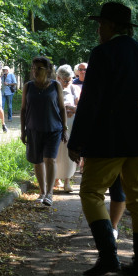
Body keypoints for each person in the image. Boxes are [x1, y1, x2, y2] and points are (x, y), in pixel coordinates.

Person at [67, 2, 138, 276]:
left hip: (109, 138)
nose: (98, 29)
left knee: (90, 192)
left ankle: (109, 256)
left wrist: (76, 141)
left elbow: (91, 101)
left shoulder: (102, 54)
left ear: (112, 26)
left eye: (101, 24)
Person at [21, 56, 67, 206]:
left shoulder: (55, 86)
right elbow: (23, 110)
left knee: (50, 159)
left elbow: (62, 108)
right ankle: (42, 191)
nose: (35, 71)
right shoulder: (28, 86)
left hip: (53, 129)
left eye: (39, 68)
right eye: (33, 68)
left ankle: (50, 194)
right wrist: (23, 130)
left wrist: (65, 128)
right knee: (37, 161)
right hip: (33, 129)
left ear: (48, 70)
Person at [54, 65, 78, 193]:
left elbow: (79, 105)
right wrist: (62, 109)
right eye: (65, 80)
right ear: (58, 77)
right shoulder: (53, 88)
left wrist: (72, 109)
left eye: (69, 79)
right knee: (57, 151)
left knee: (68, 150)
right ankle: (56, 178)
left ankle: (67, 180)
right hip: (56, 122)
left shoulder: (74, 88)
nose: (68, 82)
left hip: (70, 122)